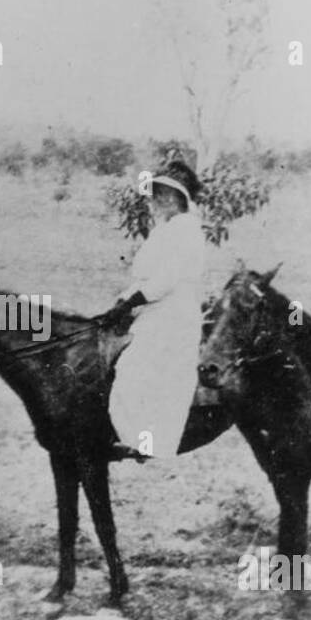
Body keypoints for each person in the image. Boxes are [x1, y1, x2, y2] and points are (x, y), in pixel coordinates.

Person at [101, 160, 206, 460]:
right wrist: (122, 301)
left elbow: (166, 280)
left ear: (177, 200)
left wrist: (130, 303)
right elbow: (145, 278)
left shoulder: (186, 230)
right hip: (154, 309)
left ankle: (144, 441)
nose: (156, 201)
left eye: (162, 195)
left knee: (136, 366)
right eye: (155, 194)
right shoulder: (166, 230)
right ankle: (119, 430)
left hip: (173, 313)